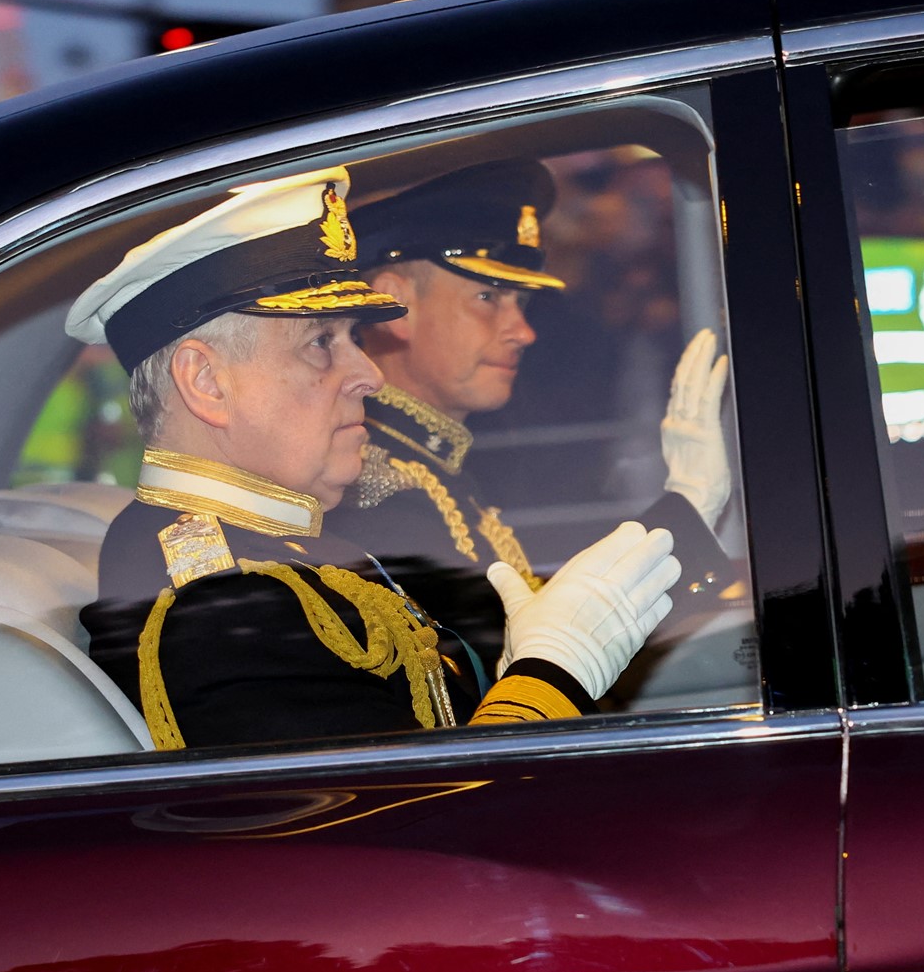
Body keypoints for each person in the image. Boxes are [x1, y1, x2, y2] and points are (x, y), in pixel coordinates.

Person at [69, 166, 681, 751]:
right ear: (206, 381)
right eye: (320, 343)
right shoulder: (219, 602)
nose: (366, 373)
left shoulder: (285, 549)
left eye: (353, 339)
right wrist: (550, 674)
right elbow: (416, 832)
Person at [329, 158, 735, 667]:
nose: (523, 332)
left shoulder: (435, 468)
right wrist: (689, 505)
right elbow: (524, 666)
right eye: (488, 297)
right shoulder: (375, 486)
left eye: (519, 304)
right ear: (395, 305)